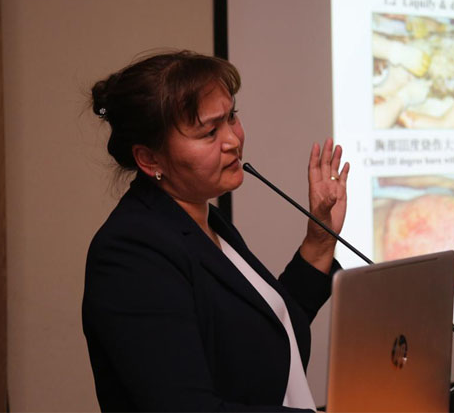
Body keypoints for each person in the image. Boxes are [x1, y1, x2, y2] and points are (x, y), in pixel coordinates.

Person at [82, 51, 349, 412]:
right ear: (150, 159)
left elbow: (268, 331)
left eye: (232, 117)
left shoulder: (207, 220)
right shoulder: (129, 252)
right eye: (209, 132)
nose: (233, 140)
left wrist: (320, 240)